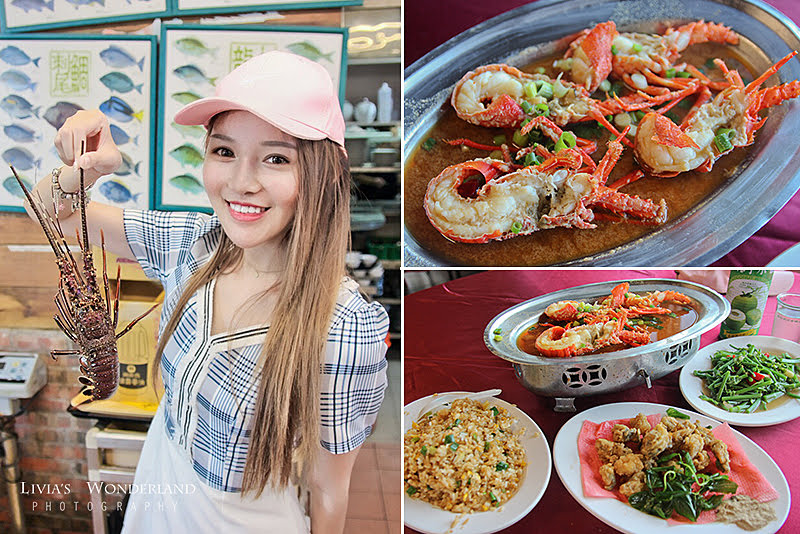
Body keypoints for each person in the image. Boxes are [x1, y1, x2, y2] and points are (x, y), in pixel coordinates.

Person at [22, 51, 389, 533]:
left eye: (276, 158)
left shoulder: (344, 324)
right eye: (224, 151)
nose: (241, 182)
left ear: (324, 174)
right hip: (155, 501)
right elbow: (52, 216)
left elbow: (327, 488)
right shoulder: (190, 245)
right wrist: (90, 168)